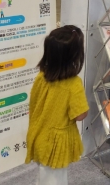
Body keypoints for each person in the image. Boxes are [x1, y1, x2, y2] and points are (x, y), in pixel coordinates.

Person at [25, 25, 89, 185]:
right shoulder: (74, 84)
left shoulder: (41, 76)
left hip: (39, 135)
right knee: (55, 179)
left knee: (44, 175)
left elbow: (33, 103)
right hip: (56, 144)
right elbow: (80, 115)